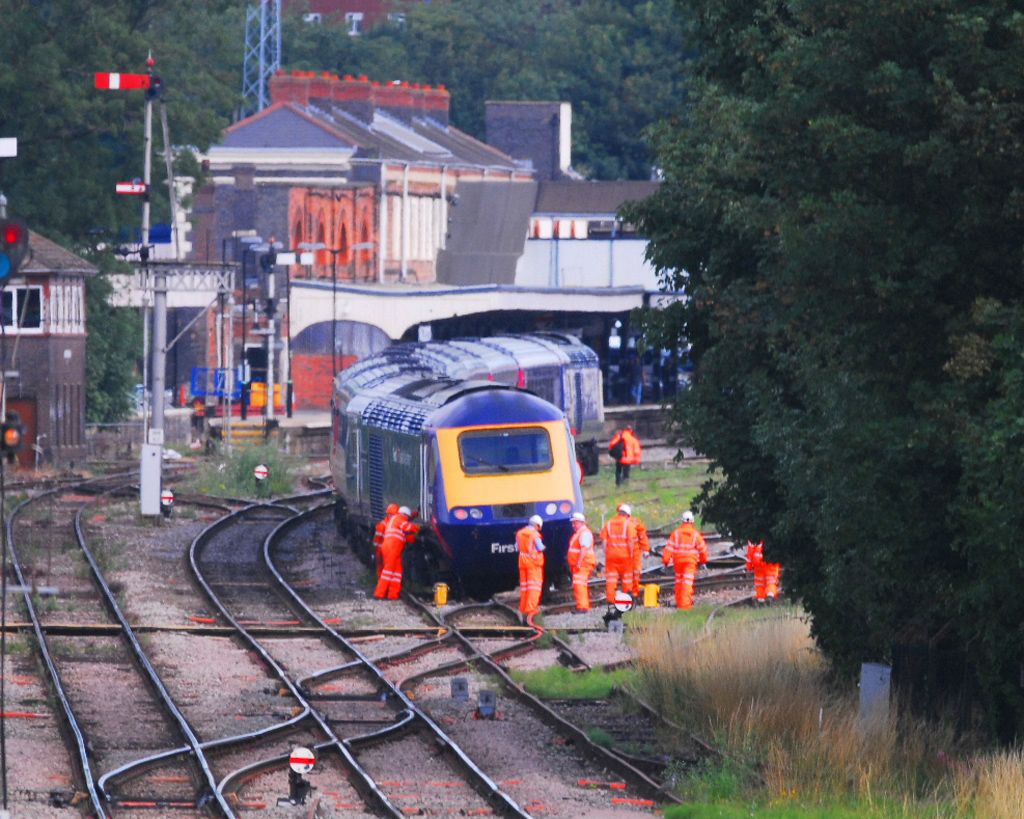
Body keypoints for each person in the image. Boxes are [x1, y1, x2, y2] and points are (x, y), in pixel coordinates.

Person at [662, 510, 708, 609]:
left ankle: (680, 603)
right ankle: (685, 605)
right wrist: (703, 561)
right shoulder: (696, 534)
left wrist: (666, 561)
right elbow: (703, 549)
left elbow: (669, 548)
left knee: (679, 582)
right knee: (687, 582)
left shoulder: (676, 533)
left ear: (682, 521)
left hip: (678, 562)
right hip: (690, 562)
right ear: (692, 521)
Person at [374, 506, 419, 600]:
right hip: (392, 547)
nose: (407, 519)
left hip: (393, 547)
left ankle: (393, 595)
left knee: (397, 572)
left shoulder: (395, 520)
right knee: (388, 571)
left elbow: (402, 538)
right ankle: (379, 594)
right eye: (407, 517)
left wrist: (414, 538)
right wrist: (418, 528)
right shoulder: (399, 518)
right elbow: (408, 527)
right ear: (405, 515)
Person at [599, 503, 639, 605]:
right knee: (627, 577)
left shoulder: (608, 523)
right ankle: (627, 597)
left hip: (611, 555)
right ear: (627, 515)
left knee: (611, 579)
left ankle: (610, 600)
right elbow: (631, 541)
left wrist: (606, 553)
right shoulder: (628, 524)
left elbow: (604, 541)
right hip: (625, 555)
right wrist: (631, 553)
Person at [566, 512, 597, 612]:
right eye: (573, 523)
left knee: (579, 584)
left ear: (581, 522)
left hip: (584, 563)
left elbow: (584, 548)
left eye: (575, 523)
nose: (573, 525)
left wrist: (579, 562)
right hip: (582, 563)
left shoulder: (584, 533)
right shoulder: (580, 533)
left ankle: (583, 607)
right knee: (580, 584)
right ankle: (584, 606)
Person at [517, 515, 547, 617]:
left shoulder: (520, 533)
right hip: (534, 565)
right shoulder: (535, 535)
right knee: (534, 587)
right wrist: (544, 547)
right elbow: (540, 547)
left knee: (525, 588)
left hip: (522, 563)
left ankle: (523, 608)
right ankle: (531, 609)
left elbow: (518, 547)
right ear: (537, 525)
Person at [373, 503, 400, 578]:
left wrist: (415, 513)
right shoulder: (382, 526)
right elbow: (376, 542)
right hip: (383, 551)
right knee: (382, 567)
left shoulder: (393, 524)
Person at [629, 509, 651, 597]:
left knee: (630, 572)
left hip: (626, 552)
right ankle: (633, 592)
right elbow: (643, 536)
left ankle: (631, 592)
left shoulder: (616, 522)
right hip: (632, 552)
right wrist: (646, 550)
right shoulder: (634, 522)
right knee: (634, 572)